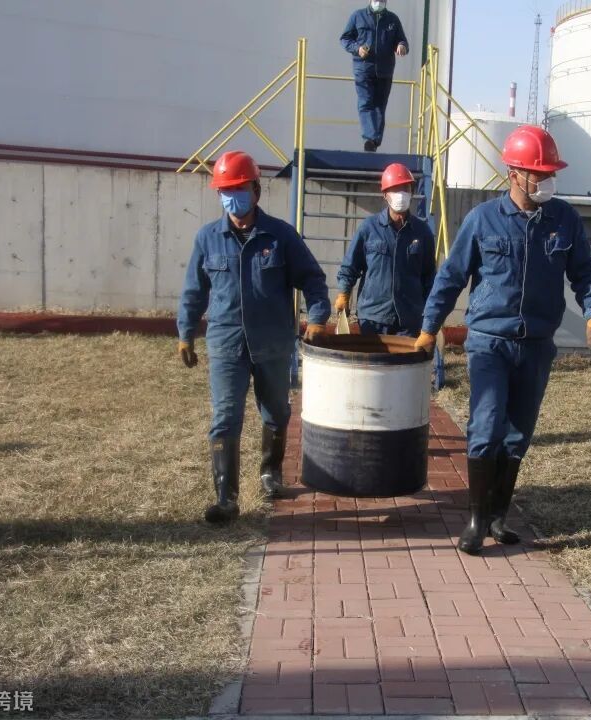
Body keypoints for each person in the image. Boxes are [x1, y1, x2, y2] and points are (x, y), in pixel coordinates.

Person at [414, 125, 591, 555]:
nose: (547, 181)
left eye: (551, 173)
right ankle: (475, 520)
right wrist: (430, 328)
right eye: (539, 173)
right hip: (489, 341)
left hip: (536, 343)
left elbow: (585, 273)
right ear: (514, 174)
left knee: (518, 433)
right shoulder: (483, 220)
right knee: (486, 427)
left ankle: (498, 516)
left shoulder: (564, 220)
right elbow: (451, 277)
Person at [177, 151, 331, 523]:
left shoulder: (280, 236)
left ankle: (270, 472)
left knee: (276, 409)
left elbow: (312, 279)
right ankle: (225, 498)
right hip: (226, 343)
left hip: (273, 343)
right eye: (225, 191)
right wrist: (186, 333)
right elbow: (194, 290)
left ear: (256, 190)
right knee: (225, 415)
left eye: (239, 189)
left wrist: (317, 318)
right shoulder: (207, 239)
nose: (232, 197)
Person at [335, 163, 436, 337]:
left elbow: (430, 277)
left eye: (405, 188)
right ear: (385, 194)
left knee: (407, 357)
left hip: (409, 319)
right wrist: (344, 293)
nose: (401, 194)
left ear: (412, 192)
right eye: (395, 189)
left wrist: (432, 315)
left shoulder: (423, 232)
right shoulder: (369, 228)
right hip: (374, 317)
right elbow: (350, 267)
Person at [340, 0, 409, 152]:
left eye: (382, 0)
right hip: (364, 68)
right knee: (365, 103)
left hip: (385, 70)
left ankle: (373, 141)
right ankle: (370, 138)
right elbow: (345, 39)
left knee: (380, 106)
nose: (379, 3)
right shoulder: (358, 16)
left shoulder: (392, 19)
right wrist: (357, 49)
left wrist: (401, 45)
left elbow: (402, 40)